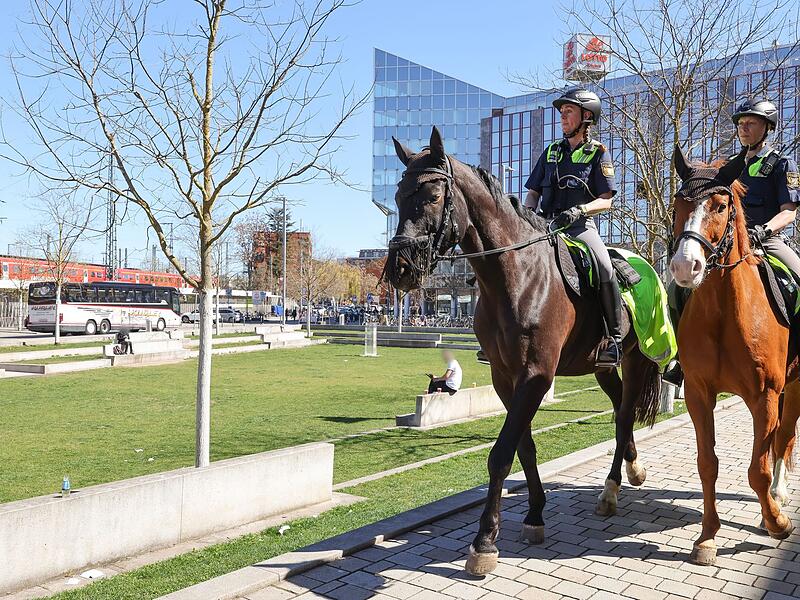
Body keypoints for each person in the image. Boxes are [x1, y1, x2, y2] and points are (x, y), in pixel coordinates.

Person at [663, 98, 800, 387]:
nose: (744, 128)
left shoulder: (782, 164)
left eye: (751, 123)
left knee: (799, 279)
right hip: (726, 244)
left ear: (767, 128)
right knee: (676, 288)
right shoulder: (726, 166)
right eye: (740, 123)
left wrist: (763, 231)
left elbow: (789, 212)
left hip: (767, 240)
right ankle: (680, 358)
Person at [524, 87, 622, 367]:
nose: (563, 117)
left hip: (580, 226)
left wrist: (580, 209)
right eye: (562, 112)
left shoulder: (598, 154)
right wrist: (528, 214)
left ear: (586, 116)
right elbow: (533, 192)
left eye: (569, 112)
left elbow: (606, 201)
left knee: (604, 265)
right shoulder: (551, 152)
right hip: (545, 225)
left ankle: (613, 339)